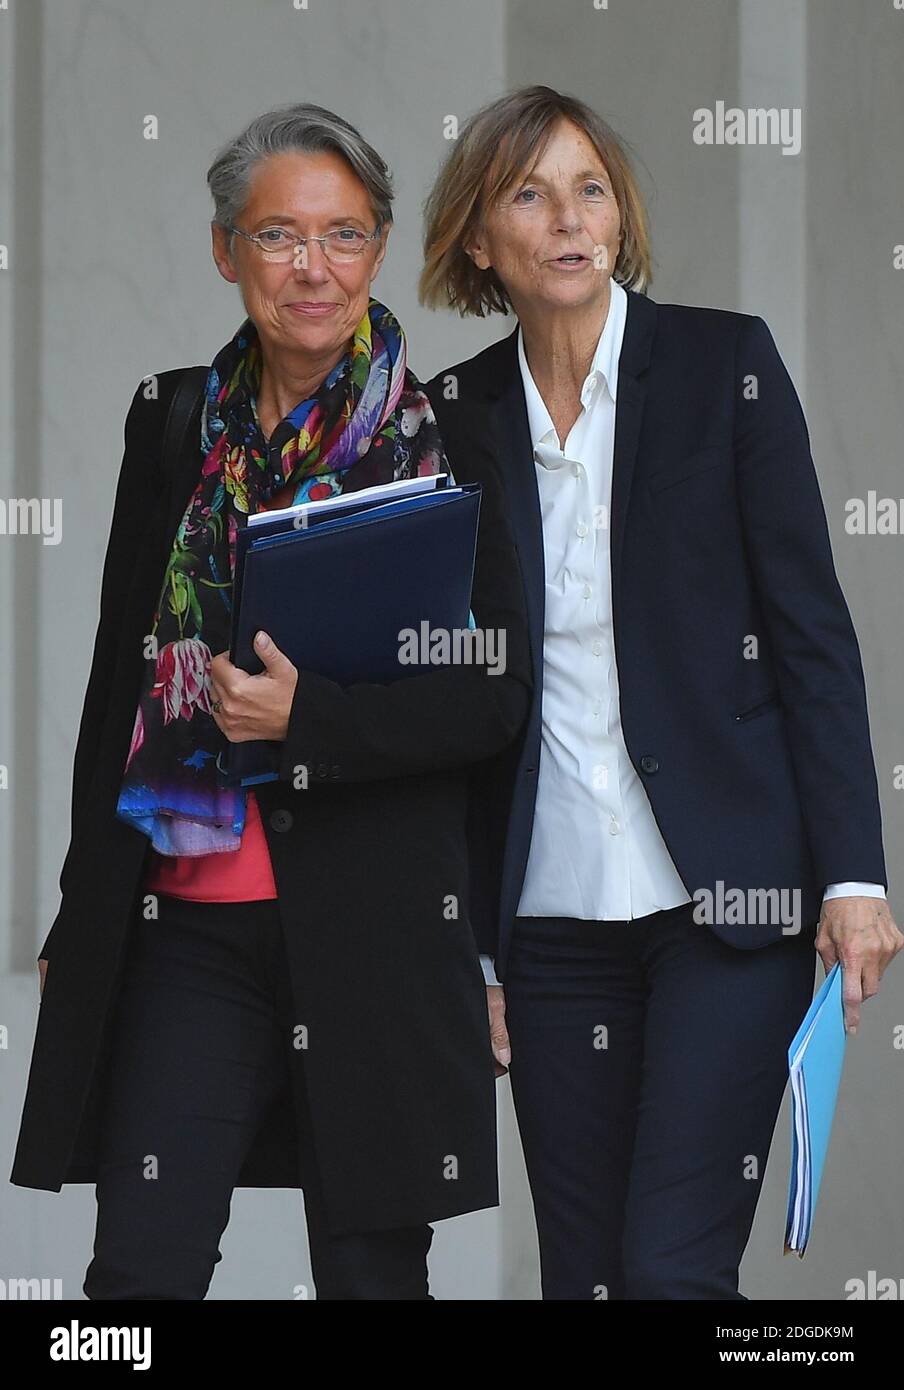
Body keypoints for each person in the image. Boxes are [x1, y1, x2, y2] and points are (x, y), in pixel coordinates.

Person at [10, 102, 531, 1300]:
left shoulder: (451, 438)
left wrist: (314, 727)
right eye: (278, 235)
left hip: (378, 926)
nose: (313, 268)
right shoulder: (175, 421)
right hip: (188, 922)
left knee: (372, 1282)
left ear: (382, 246)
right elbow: (118, 672)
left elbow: (492, 697)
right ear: (223, 248)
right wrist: (86, 894)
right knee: (135, 1282)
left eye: (344, 235)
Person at [419, 84, 902, 1300]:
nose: (568, 218)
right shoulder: (454, 420)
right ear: (480, 238)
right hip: (547, 926)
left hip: (725, 903)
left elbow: (810, 638)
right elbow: (448, 707)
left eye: (591, 190)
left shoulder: (721, 365)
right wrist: (464, 945)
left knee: (668, 1272)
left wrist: (851, 873)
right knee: (582, 1278)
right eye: (528, 194)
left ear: (622, 221)